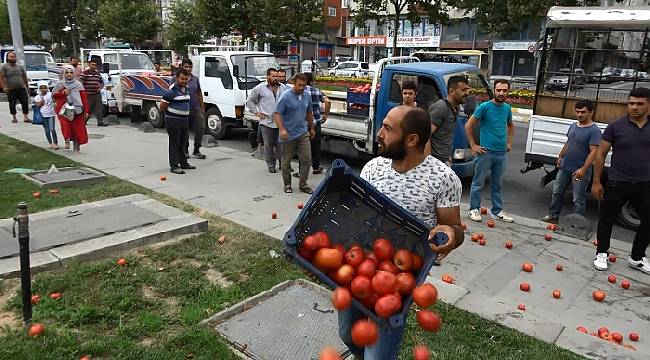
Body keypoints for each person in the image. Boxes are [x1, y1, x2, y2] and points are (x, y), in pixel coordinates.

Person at [339, 106, 464, 360]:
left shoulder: (443, 178)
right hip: (361, 266)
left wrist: (450, 235)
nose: (379, 134)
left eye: (387, 128)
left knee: (380, 355)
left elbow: (456, 229)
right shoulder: (373, 168)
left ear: (411, 139)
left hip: (400, 280)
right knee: (348, 334)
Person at [592, 87, 650, 273]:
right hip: (618, 182)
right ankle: (601, 253)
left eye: (639, 104)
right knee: (606, 219)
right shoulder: (616, 126)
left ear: (648, 105)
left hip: (644, 184)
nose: (634, 107)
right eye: (631, 103)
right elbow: (600, 154)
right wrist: (596, 181)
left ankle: (637, 257)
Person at [540, 99, 601, 224]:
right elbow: (568, 143)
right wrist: (560, 156)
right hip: (565, 167)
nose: (579, 114)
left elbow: (593, 152)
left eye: (583, 112)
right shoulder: (573, 125)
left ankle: (575, 223)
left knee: (578, 198)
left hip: (579, 171)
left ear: (590, 112)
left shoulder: (594, 131)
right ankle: (553, 216)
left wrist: (583, 169)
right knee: (557, 192)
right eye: (577, 111)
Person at [466, 79, 515, 223]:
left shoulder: (507, 108)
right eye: (498, 90)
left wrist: (509, 143)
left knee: (497, 184)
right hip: (485, 153)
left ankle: (497, 211)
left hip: (501, 154)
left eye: (504, 90)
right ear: (494, 90)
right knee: (478, 183)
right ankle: (473, 209)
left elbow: (511, 126)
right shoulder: (484, 107)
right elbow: (468, 125)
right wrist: (473, 145)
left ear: (508, 91)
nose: (501, 93)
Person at [273, 73, 315, 194]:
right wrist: (282, 129)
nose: (302, 88)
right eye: (299, 85)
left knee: (306, 159)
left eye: (304, 85)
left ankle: (303, 184)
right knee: (286, 161)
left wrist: (311, 128)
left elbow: (309, 113)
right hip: (288, 134)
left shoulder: (307, 96)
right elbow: (277, 113)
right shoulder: (286, 96)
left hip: (302, 132)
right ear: (294, 83)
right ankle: (287, 184)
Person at [246, 67, 287, 173]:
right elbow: (250, 101)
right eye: (273, 76)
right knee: (268, 145)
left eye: (277, 76)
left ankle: (283, 164)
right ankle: (271, 164)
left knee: (281, 145)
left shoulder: (283, 88)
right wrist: (257, 113)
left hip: (280, 121)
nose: (275, 78)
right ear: (267, 76)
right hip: (266, 121)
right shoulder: (260, 88)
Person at [160, 68, 195, 174]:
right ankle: (174, 166)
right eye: (182, 79)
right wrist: (172, 113)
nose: (184, 81)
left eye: (186, 79)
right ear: (177, 78)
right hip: (173, 121)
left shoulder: (187, 89)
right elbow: (162, 106)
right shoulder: (172, 90)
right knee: (174, 143)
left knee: (183, 143)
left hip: (184, 120)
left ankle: (184, 163)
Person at [428, 76, 470, 163]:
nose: (467, 93)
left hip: (445, 160)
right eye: (463, 90)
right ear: (451, 91)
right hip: (435, 162)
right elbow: (425, 136)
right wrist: (429, 162)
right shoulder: (440, 108)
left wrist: (448, 157)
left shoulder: (456, 108)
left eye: (467, 89)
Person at [53, 65, 89, 152]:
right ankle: (67, 139)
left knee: (77, 129)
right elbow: (54, 95)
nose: (69, 74)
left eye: (71, 72)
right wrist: (63, 93)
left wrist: (86, 111)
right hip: (64, 109)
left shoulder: (78, 84)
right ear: (64, 73)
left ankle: (76, 148)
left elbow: (84, 98)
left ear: (74, 74)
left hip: (77, 110)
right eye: (67, 72)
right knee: (65, 125)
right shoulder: (60, 84)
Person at [176, 58, 206, 159]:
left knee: (200, 128)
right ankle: (185, 150)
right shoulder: (176, 78)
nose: (188, 69)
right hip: (183, 110)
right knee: (185, 132)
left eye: (190, 67)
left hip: (195, 108)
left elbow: (199, 93)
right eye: (186, 66)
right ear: (181, 67)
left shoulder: (195, 79)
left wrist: (202, 107)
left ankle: (197, 149)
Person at [301, 72, 330, 175]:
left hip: (303, 125)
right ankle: (316, 167)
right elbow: (327, 101)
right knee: (316, 147)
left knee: (302, 149)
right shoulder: (316, 91)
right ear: (311, 81)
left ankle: (301, 171)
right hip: (315, 124)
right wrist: (326, 115)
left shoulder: (300, 91)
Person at [0, 52, 31, 123]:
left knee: (25, 102)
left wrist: (27, 86)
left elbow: (24, 77)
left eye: (14, 57)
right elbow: (1, 77)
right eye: (11, 57)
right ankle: (14, 117)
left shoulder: (19, 66)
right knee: (12, 103)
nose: (13, 58)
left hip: (21, 87)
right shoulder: (4, 67)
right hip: (11, 89)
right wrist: (3, 87)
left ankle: (26, 117)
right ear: (8, 58)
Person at [79, 58, 106, 127]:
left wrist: (100, 87)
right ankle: (84, 121)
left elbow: (102, 82)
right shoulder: (85, 73)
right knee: (88, 108)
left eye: (95, 65)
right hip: (88, 94)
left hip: (97, 94)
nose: (94, 66)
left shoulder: (98, 74)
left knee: (99, 108)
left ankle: (100, 122)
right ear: (89, 65)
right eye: (92, 65)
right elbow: (80, 82)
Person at [33, 81, 58, 149]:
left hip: (51, 114)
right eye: (42, 88)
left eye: (45, 88)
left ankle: (55, 143)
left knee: (52, 129)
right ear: (39, 89)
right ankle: (50, 143)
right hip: (43, 115)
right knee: (47, 130)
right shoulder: (37, 97)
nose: (43, 89)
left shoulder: (50, 94)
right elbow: (38, 106)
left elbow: (55, 100)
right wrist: (42, 101)